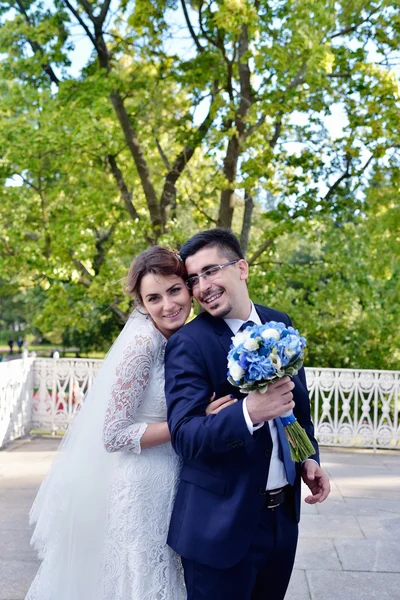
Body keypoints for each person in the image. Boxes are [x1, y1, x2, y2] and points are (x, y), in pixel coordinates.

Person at [26, 246, 234, 600]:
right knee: (143, 578)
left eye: (174, 291)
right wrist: (191, 421)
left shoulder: (181, 340)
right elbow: (113, 434)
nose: (168, 305)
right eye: (153, 298)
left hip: (172, 473)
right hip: (142, 483)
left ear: (188, 287)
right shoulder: (142, 344)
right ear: (141, 303)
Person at [165, 229, 331, 600]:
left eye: (211, 271)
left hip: (281, 523)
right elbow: (185, 437)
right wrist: (247, 412)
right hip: (217, 529)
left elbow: (298, 409)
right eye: (194, 279)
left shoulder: (280, 322)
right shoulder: (188, 344)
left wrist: (308, 459)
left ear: (242, 267)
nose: (202, 286)